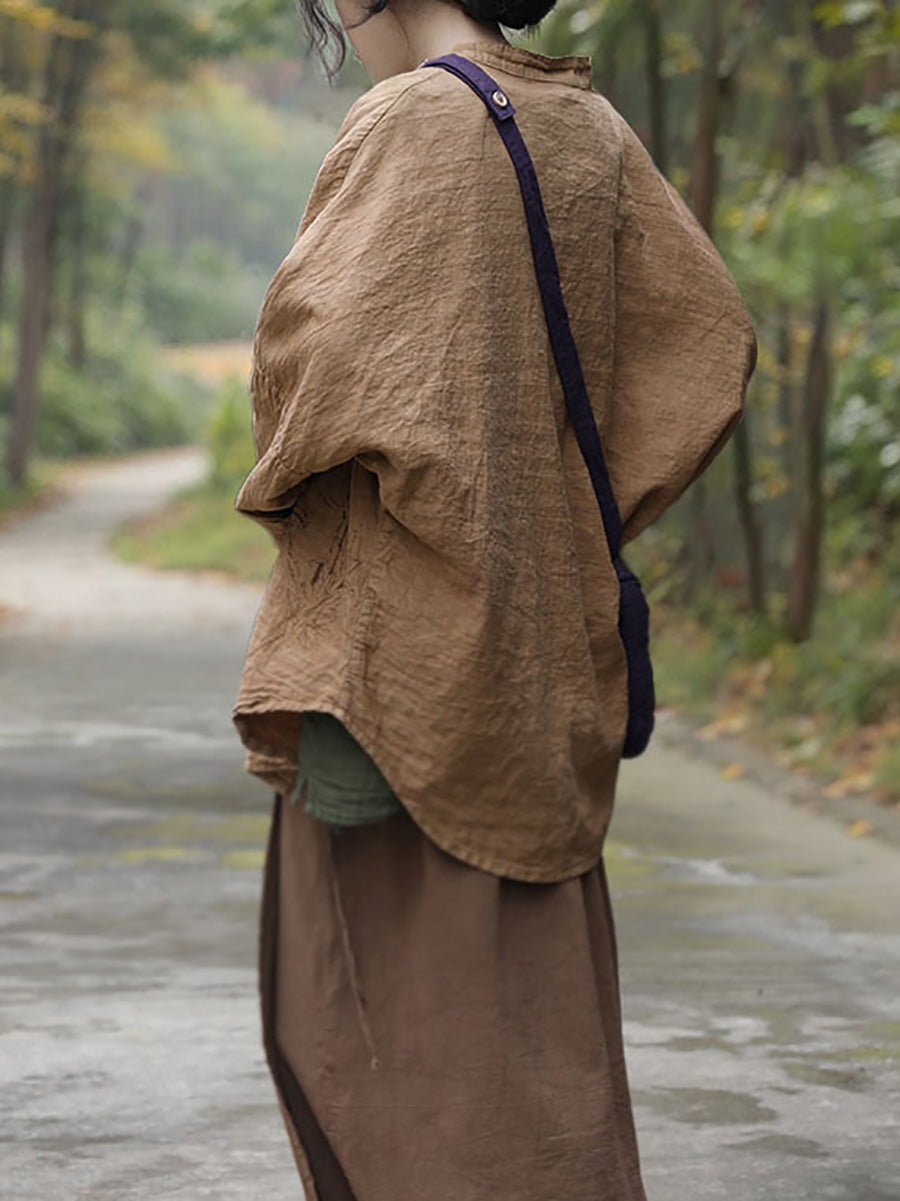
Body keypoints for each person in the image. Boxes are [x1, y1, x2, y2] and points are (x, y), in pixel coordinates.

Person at [231, 0, 758, 1197]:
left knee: (381, 1049)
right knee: (531, 1036)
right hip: (542, 650)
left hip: (399, 666)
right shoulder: (591, 126)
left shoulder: (418, 118)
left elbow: (320, 370)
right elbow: (707, 339)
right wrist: (557, 521)